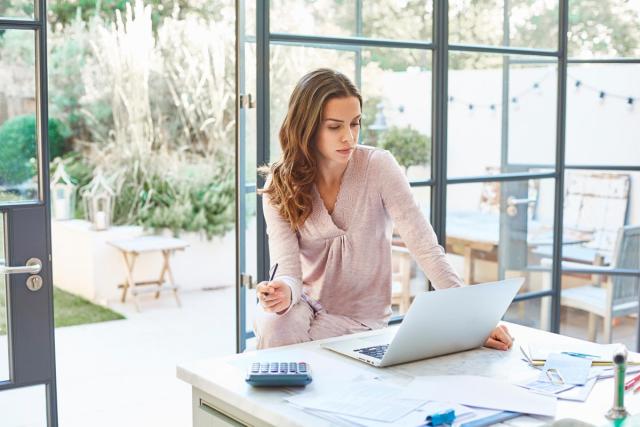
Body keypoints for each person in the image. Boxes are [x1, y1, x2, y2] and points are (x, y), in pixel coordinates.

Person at [254, 68, 512, 351]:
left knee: (282, 344)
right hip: (302, 306)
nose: (348, 137)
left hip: (359, 321)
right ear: (307, 127)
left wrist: (473, 321)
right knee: (274, 323)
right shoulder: (280, 183)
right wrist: (284, 292)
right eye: (334, 126)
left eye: (355, 123)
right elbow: (287, 270)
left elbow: (425, 247)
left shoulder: (378, 166)